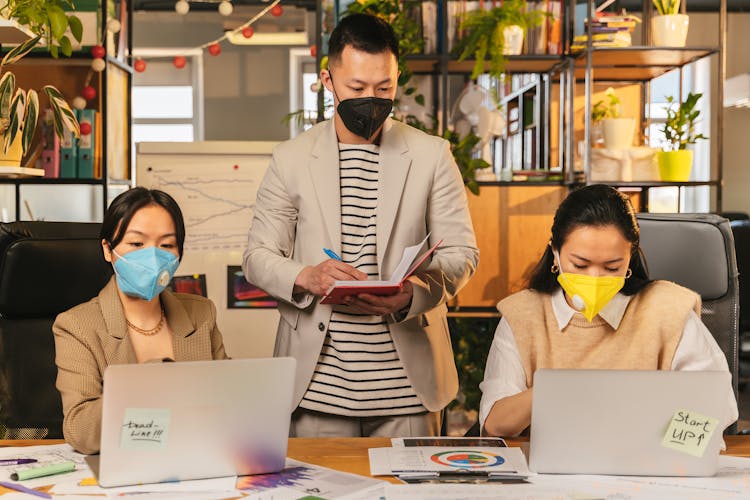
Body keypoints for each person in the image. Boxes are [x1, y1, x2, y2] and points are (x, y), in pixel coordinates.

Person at [243, 13, 478, 437]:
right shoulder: (291, 158)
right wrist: (307, 276)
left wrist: (412, 295)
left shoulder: (432, 155)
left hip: (408, 391)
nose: (371, 99)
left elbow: (461, 254)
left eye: (384, 88)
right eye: (356, 88)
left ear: (396, 78)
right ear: (328, 80)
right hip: (316, 389)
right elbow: (258, 257)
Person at [479, 184, 738, 437]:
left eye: (612, 267)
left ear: (630, 257)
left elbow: (718, 405)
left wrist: (658, 447)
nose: (595, 277)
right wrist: (558, 386)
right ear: (555, 253)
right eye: (580, 264)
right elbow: (495, 424)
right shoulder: (523, 314)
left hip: (648, 466)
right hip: (554, 471)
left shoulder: (668, 308)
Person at [54, 187, 228, 454]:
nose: (153, 257)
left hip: (195, 460)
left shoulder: (202, 313)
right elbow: (80, 431)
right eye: (137, 244)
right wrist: (145, 381)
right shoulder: (76, 326)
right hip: (124, 470)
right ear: (108, 250)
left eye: (167, 245)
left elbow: (229, 402)